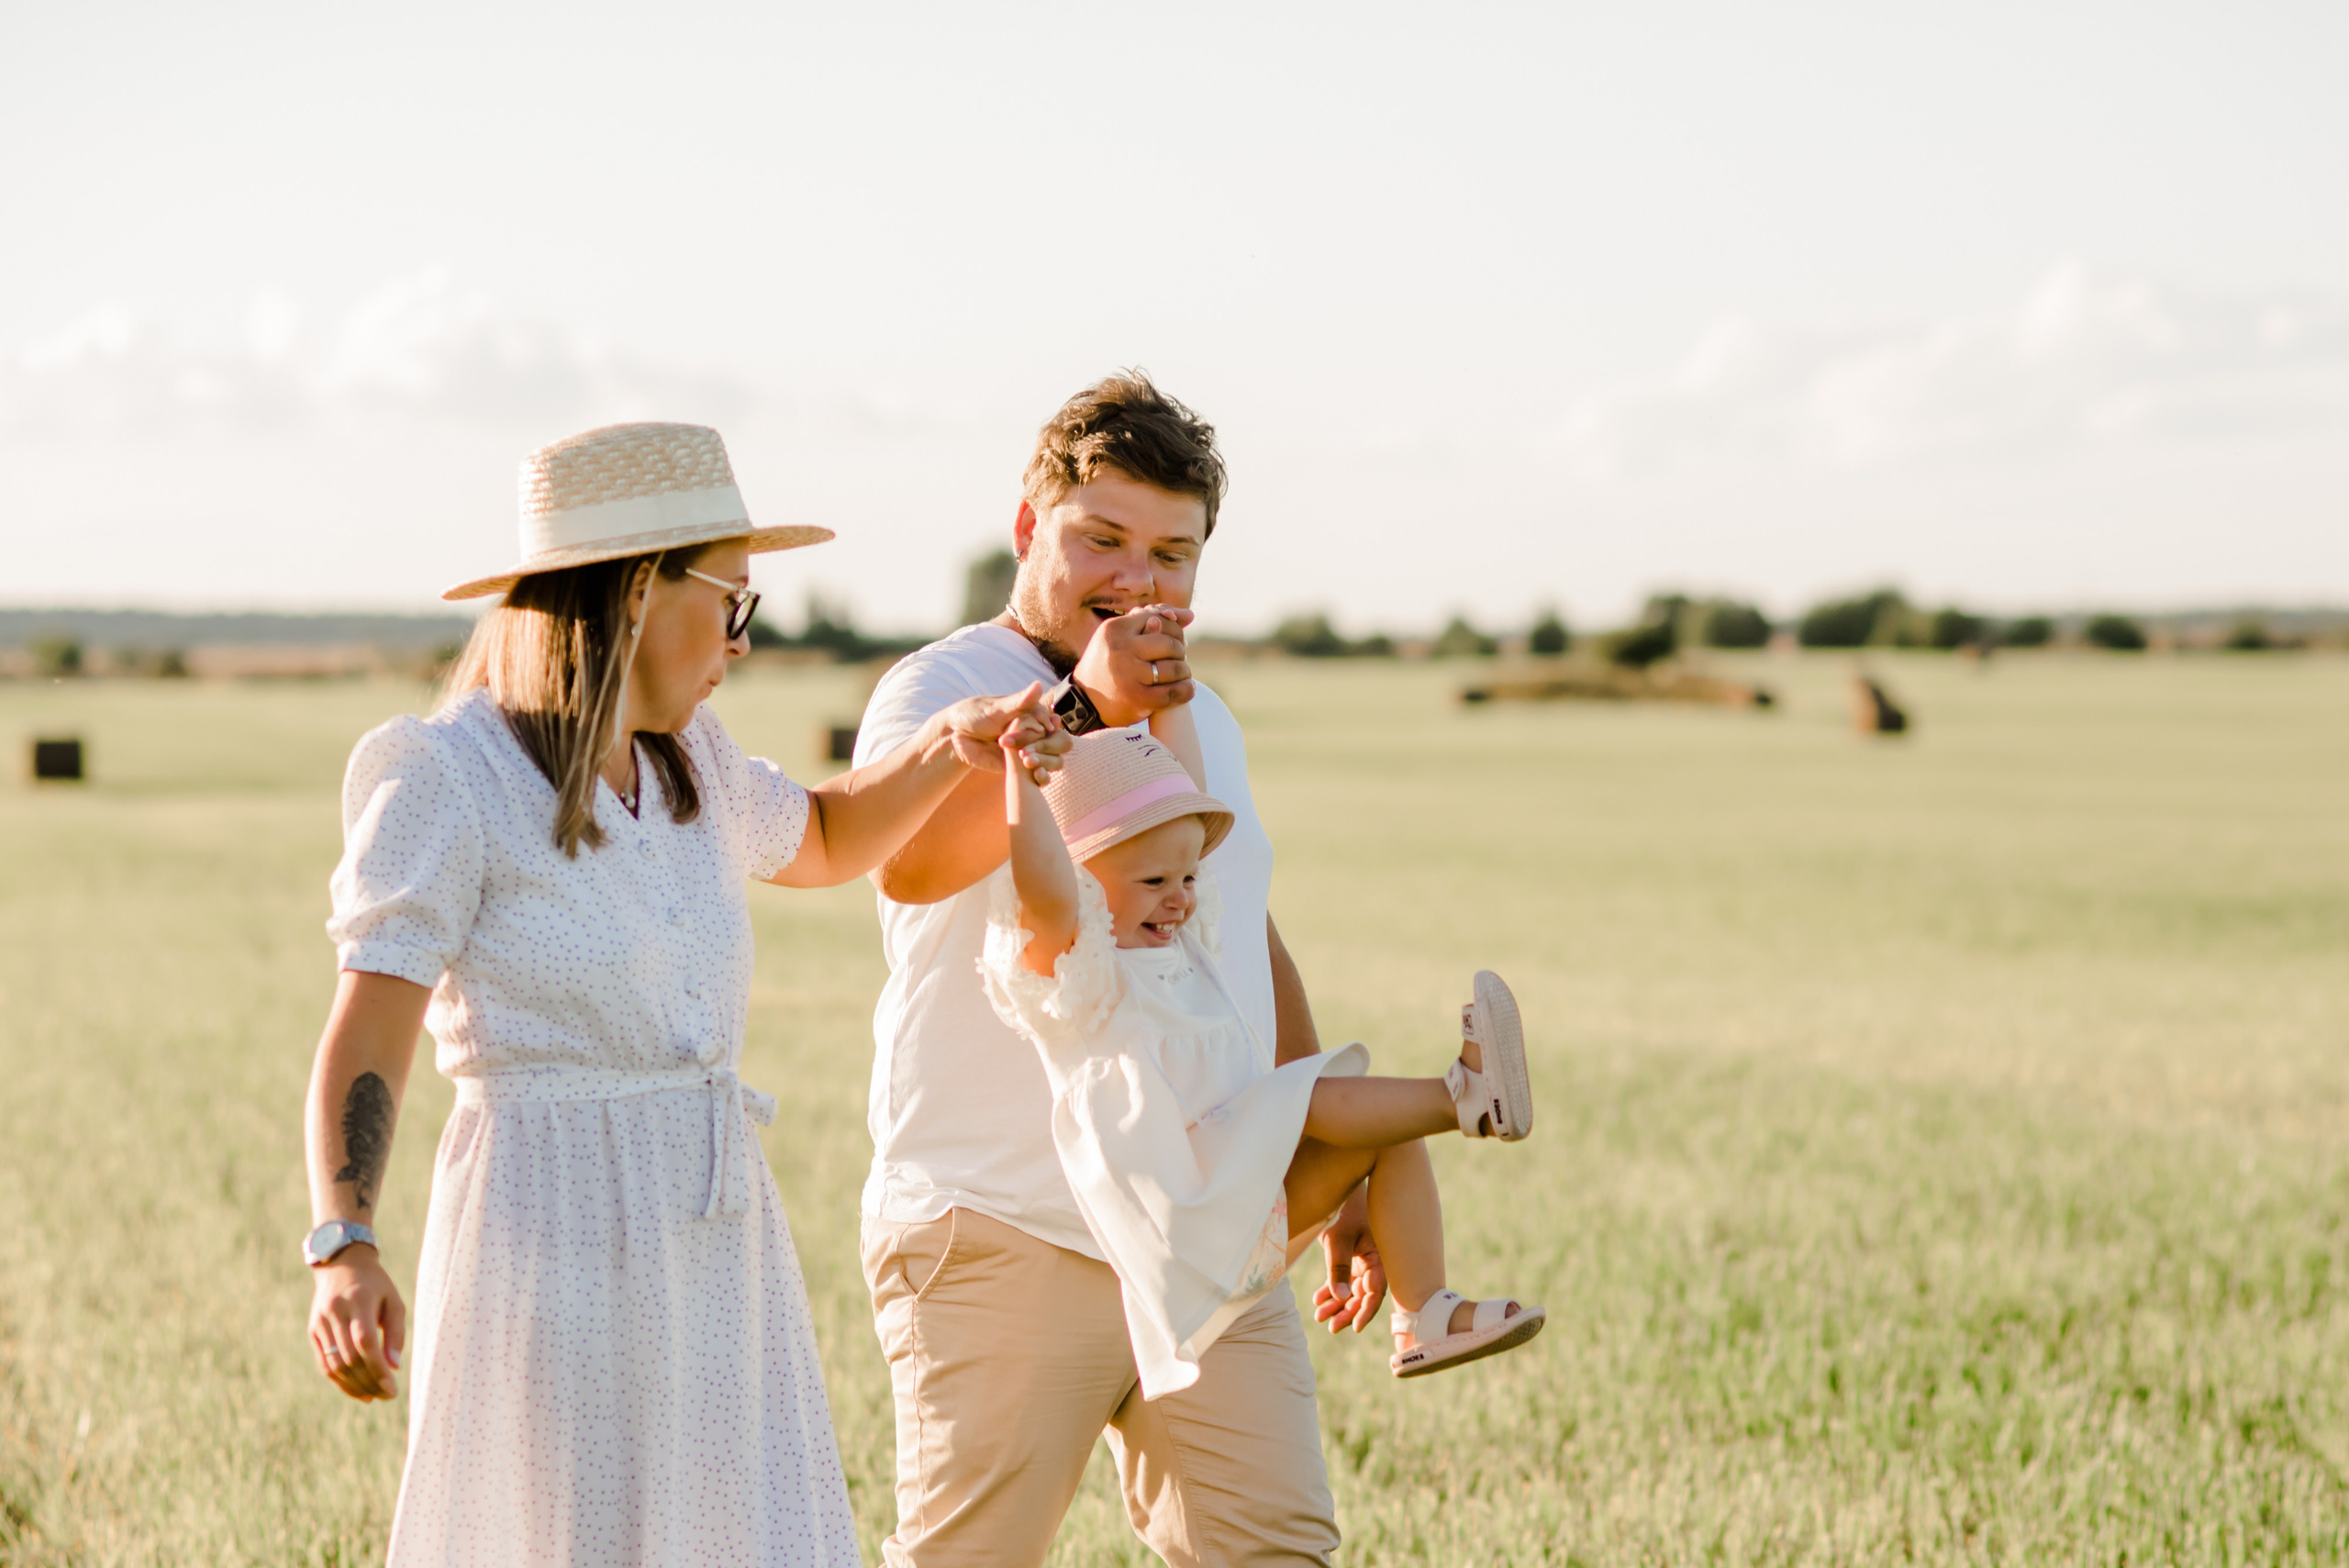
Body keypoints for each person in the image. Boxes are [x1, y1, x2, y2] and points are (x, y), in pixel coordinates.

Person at [300, 421, 1067, 1568]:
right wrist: (344, 1242)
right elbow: (370, 1025)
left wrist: (955, 746)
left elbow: (820, 834)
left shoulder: (691, 757)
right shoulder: (446, 775)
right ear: (638, 592)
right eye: (733, 602)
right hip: (544, 1225)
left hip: (711, 1229)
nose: (741, 641)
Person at [852, 373, 1372, 1566]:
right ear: (1030, 527)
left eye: (1173, 554)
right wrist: (1087, 705)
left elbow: (1238, 924)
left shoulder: (1211, 718)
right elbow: (909, 868)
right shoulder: (938, 690)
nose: (1140, 580)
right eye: (1105, 540)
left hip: (1211, 1234)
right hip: (1005, 1226)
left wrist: (1323, 1162)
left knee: (1277, 1551)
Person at [981, 717, 1545, 1401]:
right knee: (1314, 1094)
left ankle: (1423, 1314)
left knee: (1386, 1129)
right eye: (1156, 878)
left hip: (1252, 1204)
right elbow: (1041, 880)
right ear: (1085, 883)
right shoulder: (1085, 972)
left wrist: (1175, 702)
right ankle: (1467, 1096)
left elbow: (1187, 793)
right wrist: (1018, 775)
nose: (1181, 895)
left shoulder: (1181, 939)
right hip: (1191, 1228)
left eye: (1188, 875)